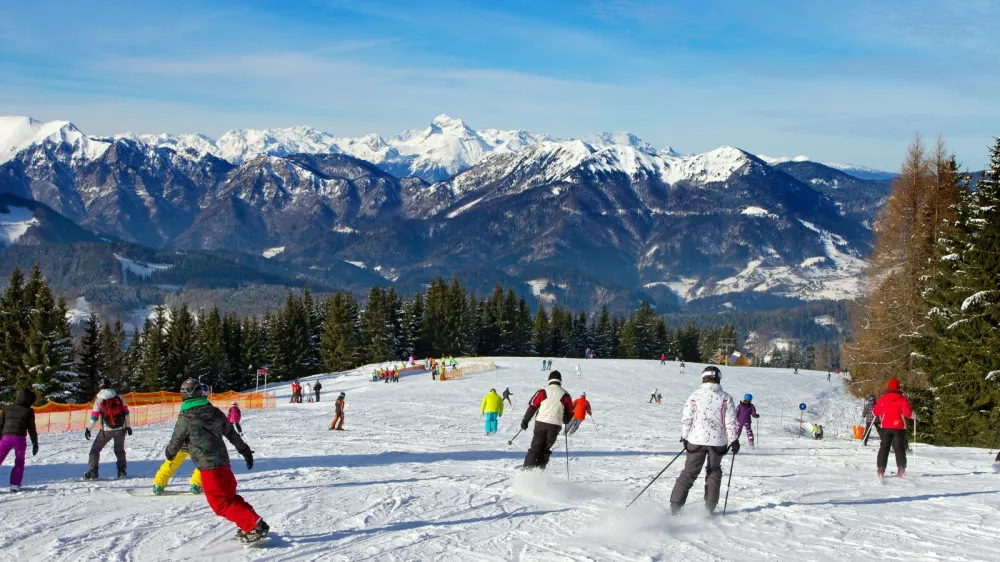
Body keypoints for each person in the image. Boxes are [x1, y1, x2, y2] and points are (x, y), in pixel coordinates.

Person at [166, 378, 268, 544]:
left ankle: (253, 526)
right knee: (230, 498)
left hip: (208, 467)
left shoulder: (186, 417)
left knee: (220, 504)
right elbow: (231, 433)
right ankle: (255, 522)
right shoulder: (214, 412)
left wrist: (170, 453)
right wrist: (244, 450)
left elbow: (176, 440)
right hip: (223, 463)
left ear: (183, 396)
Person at [669, 366, 738, 515]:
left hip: (696, 440)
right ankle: (709, 507)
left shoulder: (695, 395)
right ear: (719, 378)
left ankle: (675, 506)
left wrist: (685, 436)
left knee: (689, 472)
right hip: (718, 442)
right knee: (714, 471)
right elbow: (731, 422)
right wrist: (734, 440)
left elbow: (687, 419)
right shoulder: (726, 397)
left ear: (703, 378)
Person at [521, 371, 572, 470]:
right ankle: (540, 472)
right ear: (560, 380)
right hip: (555, 425)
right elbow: (570, 411)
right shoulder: (565, 394)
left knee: (535, 447)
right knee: (545, 449)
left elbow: (532, 406)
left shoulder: (543, 390)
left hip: (541, 423)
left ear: (549, 379)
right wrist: (566, 419)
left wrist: (525, 420)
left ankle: (527, 471)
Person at [83, 379, 131, 480]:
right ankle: (122, 472)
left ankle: (93, 472)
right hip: (120, 429)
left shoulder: (99, 400)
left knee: (95, 450)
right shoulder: (118, 397)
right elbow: (126, 412)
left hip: (106, 430)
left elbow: (94, 417)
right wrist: (128, 426)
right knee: (119, 451)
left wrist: (88, 429)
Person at [873, 378, 913, 478]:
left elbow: (875, 412)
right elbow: (908, 413)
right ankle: (901, 467)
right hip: (899, 427)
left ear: (888, 387)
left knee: (884, 447)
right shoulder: (902, 399)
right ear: (898, 387)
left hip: (886, 426)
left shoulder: (883, 398)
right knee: (899, 447)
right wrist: (913, 415)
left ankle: (881, 468)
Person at [0, 388, 39, 492]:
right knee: (19, 462)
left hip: (5, 438)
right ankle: (14, 485)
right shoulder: (28, 411)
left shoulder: (7, 408)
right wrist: (35, 443)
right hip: (19, 439)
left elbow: (0, 425)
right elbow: (31, 428)